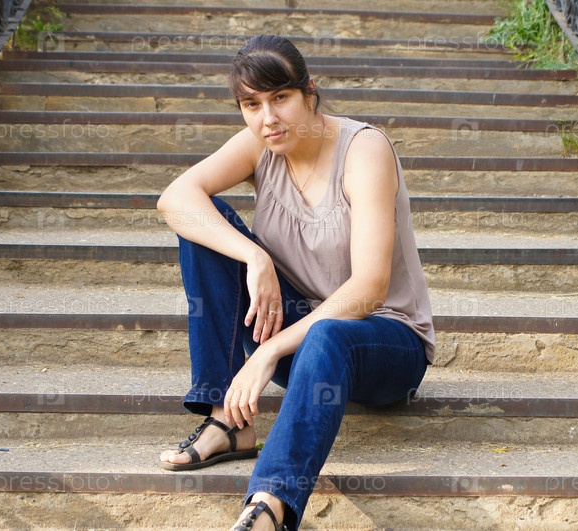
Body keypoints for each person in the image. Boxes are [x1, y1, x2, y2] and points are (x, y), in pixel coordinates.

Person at [157, 34, 435, 531]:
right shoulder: (261, 144)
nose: (268, 118)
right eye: (252, 105)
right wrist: (254, 255)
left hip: (384, 343)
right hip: (298, 336)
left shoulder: (363, 149)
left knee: (329, 333)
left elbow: (369, 287)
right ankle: (227, 420)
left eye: (280, 98)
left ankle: (270, 504)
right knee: (205, 224)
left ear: (310, 93)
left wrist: (267, 351)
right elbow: (175, 200)